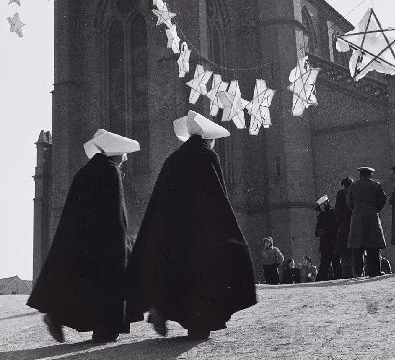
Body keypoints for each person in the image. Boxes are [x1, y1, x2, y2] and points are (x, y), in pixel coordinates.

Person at [126, 110, 257, 340]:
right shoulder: (208, 156)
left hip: (174, 233)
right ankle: (199, 324)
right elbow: (218, 198)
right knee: (203, 277)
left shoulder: (173, 158)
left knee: (177, 274)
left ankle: (162, 310)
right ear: (209, 139)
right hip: (202, 231)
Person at [27, 129, 140, 343]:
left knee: (84, 285)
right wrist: (122, 243)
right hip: (106, 243)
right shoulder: (111, 171)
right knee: (108, 285)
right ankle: (104, 330)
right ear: (115, 154)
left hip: (82, 243)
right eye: (123, 156)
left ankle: (57, 314)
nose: (124, 160)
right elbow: (116, 214)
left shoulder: (85, 171)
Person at [347, 167, 387, 278]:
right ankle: (374, 271)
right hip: (372, 215)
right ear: (370, 175)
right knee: (373, 245)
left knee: (357, 246)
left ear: (360, 175)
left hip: (357, 216)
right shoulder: (376, 185)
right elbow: (382, 200)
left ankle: (358, 273)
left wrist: (356, 210)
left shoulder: (353, 186)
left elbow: (349, 202)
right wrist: (374, 209)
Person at [314, 196, 341, 281]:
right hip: (326, 243)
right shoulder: (321, 216)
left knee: (334, 262)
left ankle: (337, 277)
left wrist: (324, 231)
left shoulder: (332, 213)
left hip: (332, 242)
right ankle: (323, 279)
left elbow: (336, 227)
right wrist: (319, 231)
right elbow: (316, 232)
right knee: (325, 263)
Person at [335, 177, 354, 278]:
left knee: (345, 251)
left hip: (344, 225)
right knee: (356, 249)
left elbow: (337, 211)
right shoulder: (356, 192)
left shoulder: (341, 194)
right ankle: (357, 272)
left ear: (343, 185)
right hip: (355, 224)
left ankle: (346, 274)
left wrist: (339, 222)